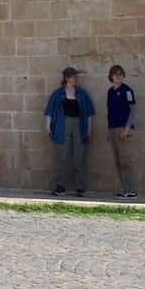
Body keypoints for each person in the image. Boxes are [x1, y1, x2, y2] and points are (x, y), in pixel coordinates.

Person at [45, 66, 95, 197]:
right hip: (62, 125)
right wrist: (48, 127)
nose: (76, 79)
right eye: (73, 76)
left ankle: (80, 187)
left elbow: (89, 113)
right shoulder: (58, 94)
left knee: (79, 156)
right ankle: (61, 186)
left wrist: (89, 129)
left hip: (79, 125)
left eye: (76, 76)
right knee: (63, 156)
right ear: (67, 78)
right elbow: (49, 112)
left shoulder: (82, 93)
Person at [106, 64, 138, 199]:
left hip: (123, 129)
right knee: (118, 160)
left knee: (125, 160)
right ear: (111, 76)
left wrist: (127, 128)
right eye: (115, 74)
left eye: (120, 74)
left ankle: (131, 190)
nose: (118, 76)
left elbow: (133, 110)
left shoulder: (127, 90)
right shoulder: (110, 91)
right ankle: (124, 189)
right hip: (113, 128)